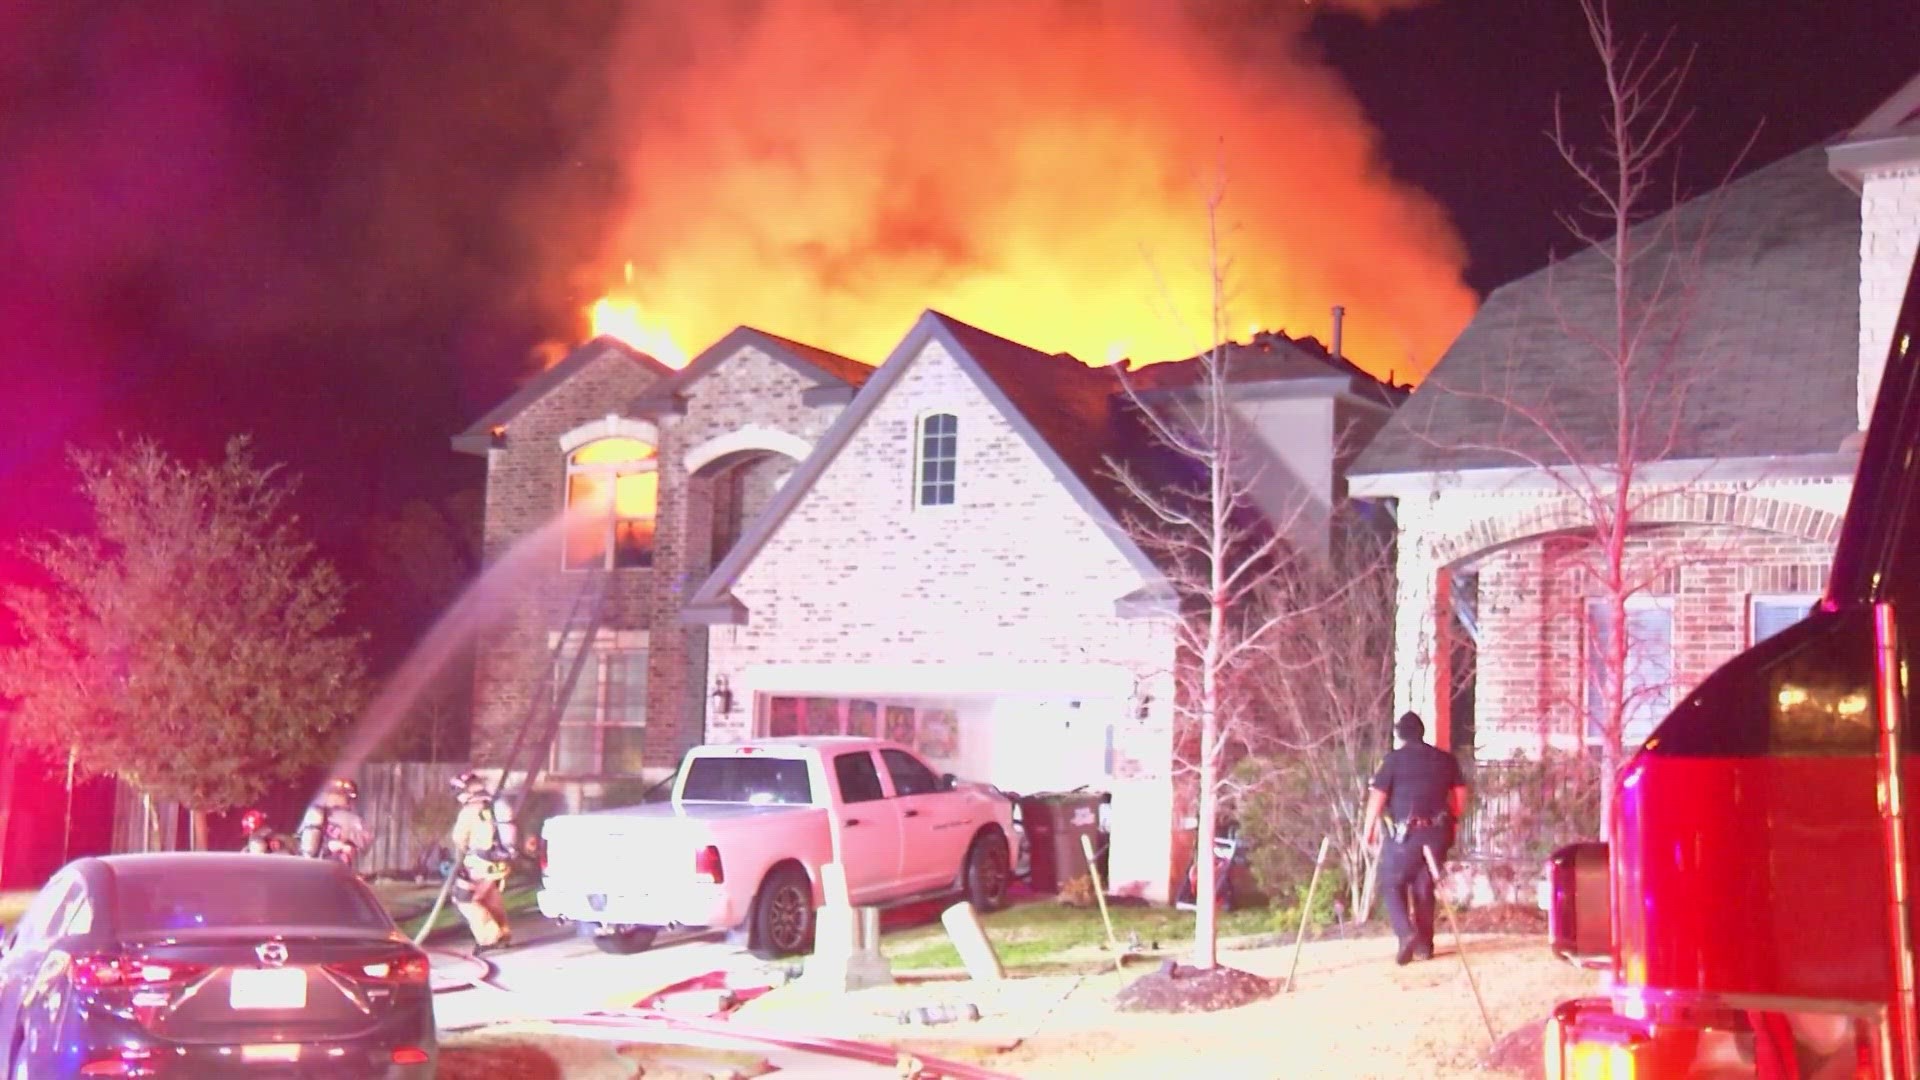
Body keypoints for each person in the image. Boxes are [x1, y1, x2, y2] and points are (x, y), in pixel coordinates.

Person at [1363, 711, 1468, 966]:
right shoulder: (1445, 760)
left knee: (1391, 881)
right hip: (1436, 833)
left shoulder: (1393, 761)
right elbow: (1461, 794)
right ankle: (1424, 946)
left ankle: (1405, 933)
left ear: (1400, 734)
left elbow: (1378, 796)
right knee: (1424, 886)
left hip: (1407, 834)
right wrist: (1452, 819)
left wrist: (1368, 830)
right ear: (1422, 732)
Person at [448, 770, 517, 953]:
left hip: (480, 865)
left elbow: (459, 839)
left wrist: (461, 857)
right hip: (500, 864)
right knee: (489, 898)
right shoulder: (494, 805)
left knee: (464, 899)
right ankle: (503, 933)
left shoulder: (470, 811)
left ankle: (489, 938)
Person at [296, 777, 373, 874]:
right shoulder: (353, 820)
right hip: (335, 869)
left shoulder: (313, 814)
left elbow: (300, 840)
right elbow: (364, 844)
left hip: (312, 868)